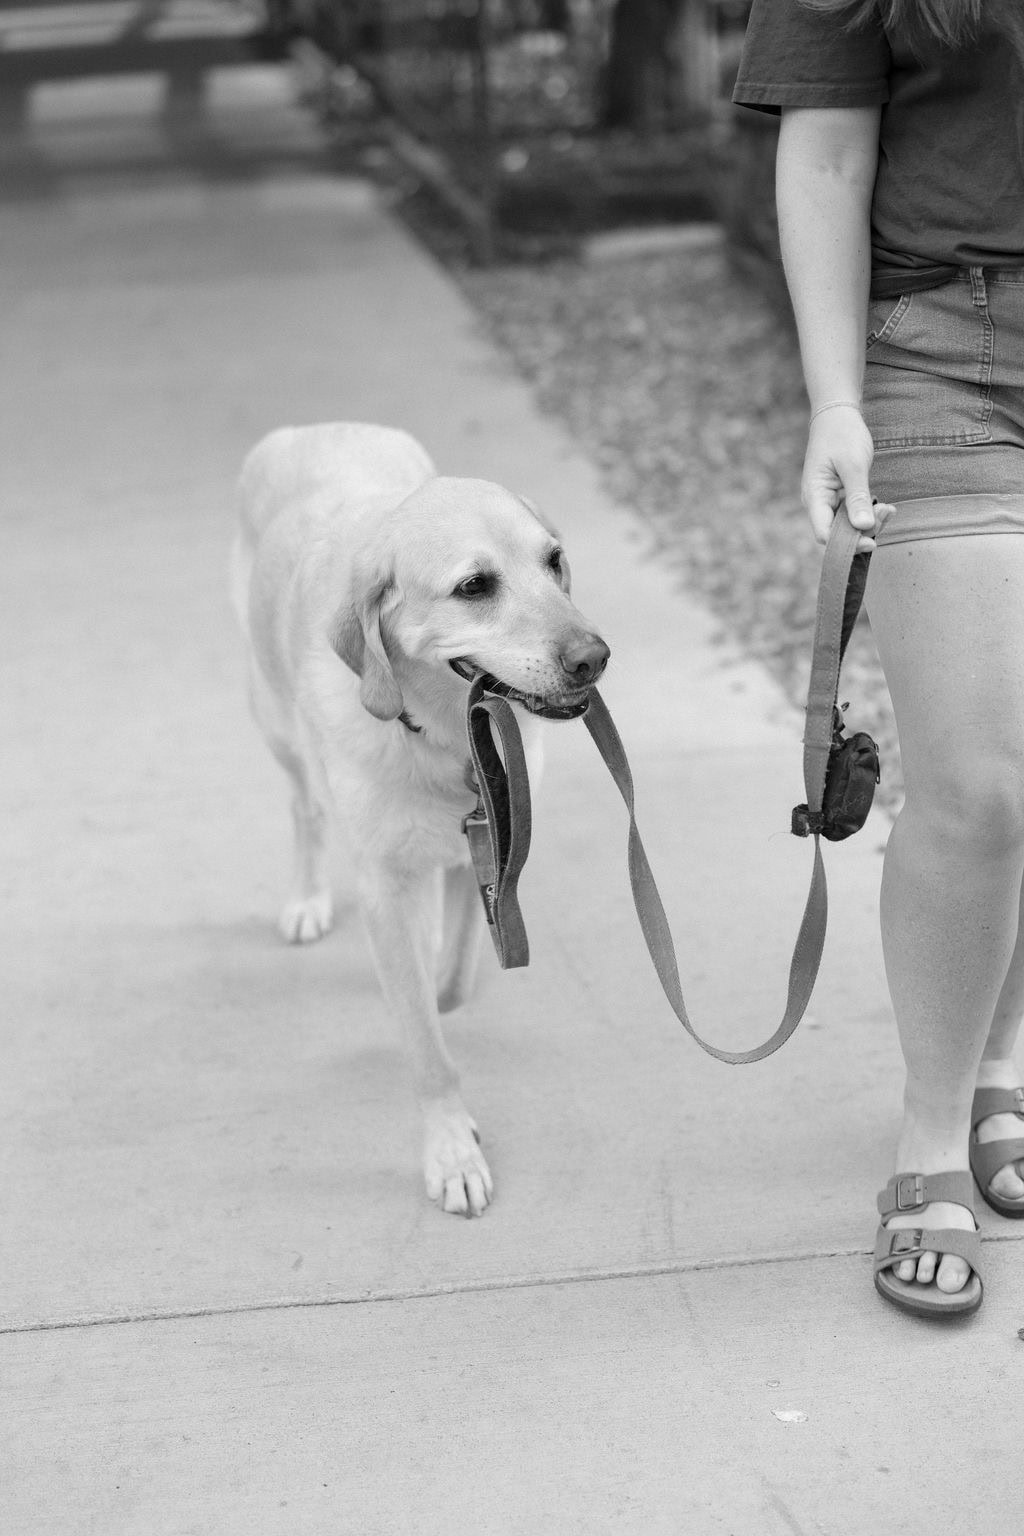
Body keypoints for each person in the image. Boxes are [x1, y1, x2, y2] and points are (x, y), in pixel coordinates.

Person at [733, 0, 1024, 1318]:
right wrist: (835, 403)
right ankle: (927, 1145)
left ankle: (1006, 1066)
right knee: (979, 781)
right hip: (947, 353)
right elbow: (829, 151)